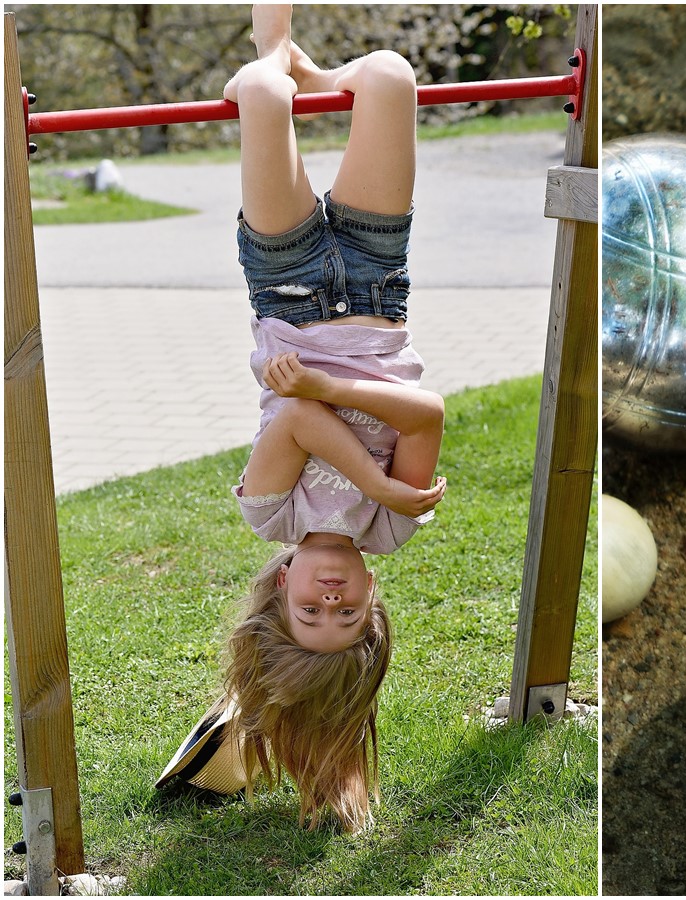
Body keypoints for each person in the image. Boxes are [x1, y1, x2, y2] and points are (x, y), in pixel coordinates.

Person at [158, 4, 446, 834]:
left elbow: (296, 417)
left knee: (257, 91)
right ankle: (305, 68)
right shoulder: (390, 532)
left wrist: (370, 472)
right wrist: (386, 484)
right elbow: (426, 412)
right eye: (347, 614)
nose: (330, 598)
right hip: (379, 283)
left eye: (310, 612)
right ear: (372, 600)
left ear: (280, 590)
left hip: (286, 285)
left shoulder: (267, 511)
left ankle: (275, 66)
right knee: (391, 74)